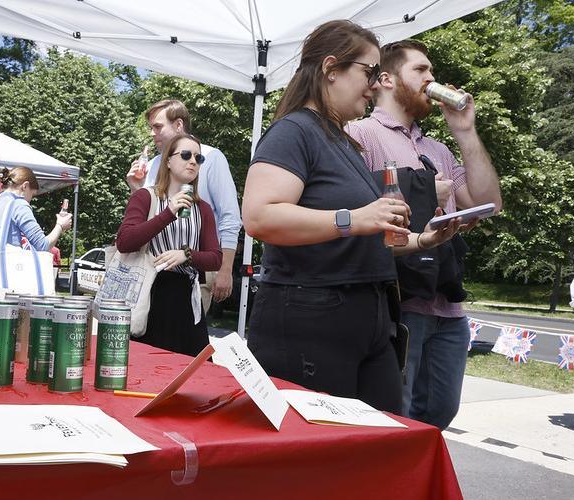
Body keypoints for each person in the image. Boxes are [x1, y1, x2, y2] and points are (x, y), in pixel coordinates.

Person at [241, 20, 460, 413]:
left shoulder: (343, 141)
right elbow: (259, 218)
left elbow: (363, 236)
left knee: (378, 450)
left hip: (368, 317)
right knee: (318, 460)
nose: (375, 84)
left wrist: (423, 240)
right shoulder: (293, 132)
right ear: (330, 69)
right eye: (369, 72)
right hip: (311, 318)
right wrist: (353, 218)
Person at [346, 40, 502, 429]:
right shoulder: (359, 134)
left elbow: (488, 203)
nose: (431, 78)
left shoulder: (439, 149)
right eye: (421, 70)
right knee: (393, 419)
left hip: (448, 306)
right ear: (385, 79)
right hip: (397, 303)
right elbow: (351, 208)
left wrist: (465, 132)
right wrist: (424, 190)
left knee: (439, 415)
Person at [126, 99, 241, 313]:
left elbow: (230, 218)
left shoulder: (211, 158)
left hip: (195, 271)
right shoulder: (152, 165)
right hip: (149, 271)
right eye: (151, 128)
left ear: (178, 125)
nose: (152, 133)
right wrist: (136, 190)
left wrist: (225, 269)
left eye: (158, 126)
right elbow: (139, 225)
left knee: (186, 341)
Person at [117, 134, 222, 356]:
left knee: (191, 377)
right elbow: (124, 242)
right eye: (185, 155)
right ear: (168, 161)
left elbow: (215, 258)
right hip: (150, 294)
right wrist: (168, 213)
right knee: (146, 372)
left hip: (186, 299)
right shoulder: (146, 197)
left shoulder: (202, 209)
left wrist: (187, 254)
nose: (193, 161)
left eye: (198, 157)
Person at [0, 167, 72, 254]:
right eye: (32, 194)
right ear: (25, 186)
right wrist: (60, 225)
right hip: (11, 267)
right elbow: (43, 246)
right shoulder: (18, 205)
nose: (30, 200)